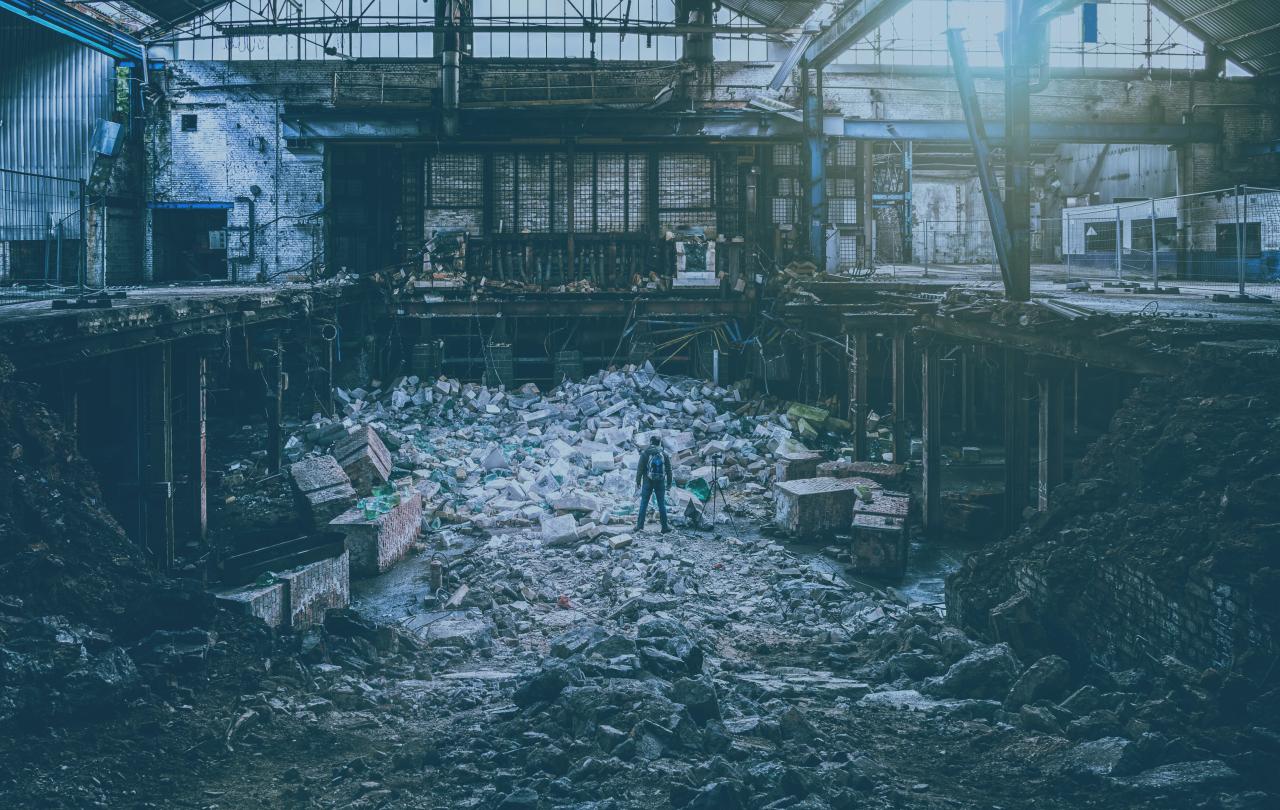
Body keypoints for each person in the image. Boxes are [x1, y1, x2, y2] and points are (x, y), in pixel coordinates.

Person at [635, 435, 672, 533]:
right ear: (659, 443)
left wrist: (638, 482)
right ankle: (664, 527)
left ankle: (639, 526)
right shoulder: (664, 454)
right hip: (660, 482)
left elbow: (640, 469)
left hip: (647, 481)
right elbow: (669, 470)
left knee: (644, 503)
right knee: (661, 504)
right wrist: (669, 483)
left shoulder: (645, 453)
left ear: (651, 442)